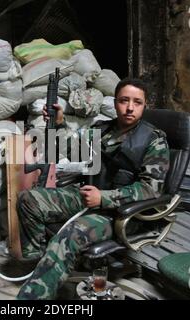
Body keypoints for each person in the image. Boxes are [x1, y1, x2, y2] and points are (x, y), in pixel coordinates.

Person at [16, 78, 170, 299]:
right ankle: (41, 265)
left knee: (71, 234)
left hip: (123, 213)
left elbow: (150, 190)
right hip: (89, 196)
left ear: (145, 106)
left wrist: (104, 198)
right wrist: (59, 124)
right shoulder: (103, 128)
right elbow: (74, 150)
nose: (129, 107)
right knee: (28, 200)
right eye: (124, 100)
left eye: (137, 102)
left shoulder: (154, 140)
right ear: (115, 102)